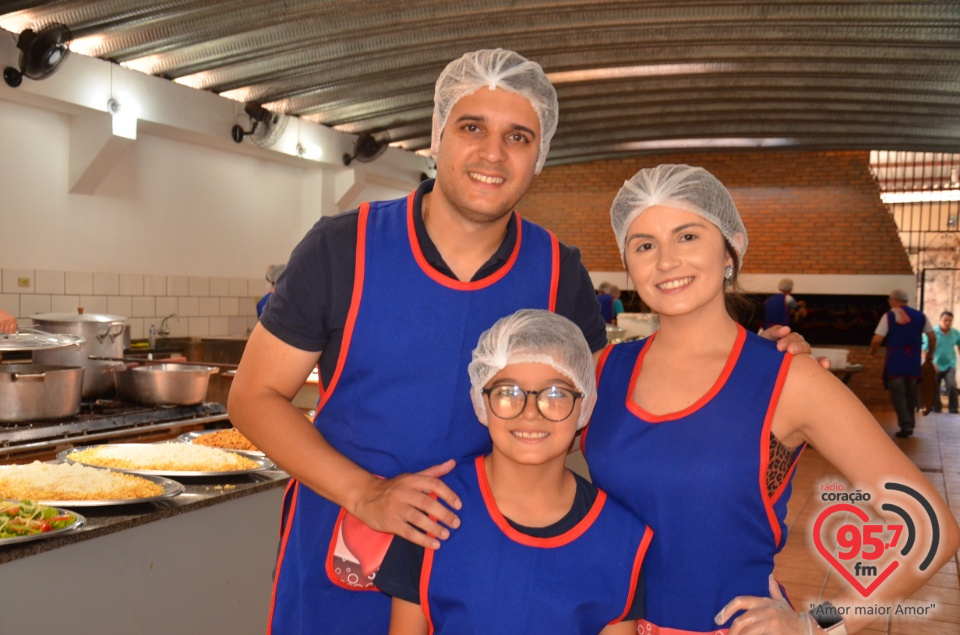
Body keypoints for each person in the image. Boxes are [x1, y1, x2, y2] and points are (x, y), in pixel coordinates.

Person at [228, 51, 812, 635]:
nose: (493, 153)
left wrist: (750, 373)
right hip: (342, 550)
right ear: (437, 136)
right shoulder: (345, 247)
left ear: (540, 156)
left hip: (485, 572)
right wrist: (367, 494)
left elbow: (600, 406)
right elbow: (252, 397)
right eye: (472, 127)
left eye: (518, 136)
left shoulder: (559, 272)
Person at [581, 164, 959, 635]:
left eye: (688, 236)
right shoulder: (601, 372)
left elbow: (930, 530)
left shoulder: (788, 378)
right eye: (644, 245)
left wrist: (814, 625)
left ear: (730, 250)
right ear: (628, 263)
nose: (666, 261)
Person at [375, 309, 651, 635]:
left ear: (584, 403)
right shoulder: (430, 511)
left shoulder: (620, 538)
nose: (530, 413)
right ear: (481, 398)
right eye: (508, 392)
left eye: (555, 394)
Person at [869, 289, 935, 437]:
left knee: (898, 393)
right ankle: (910, 423)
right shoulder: (920, 316)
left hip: (896, 360)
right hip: (913, 360)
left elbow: (877, 339)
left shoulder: (889, 316)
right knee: (910, 392)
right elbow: (932, 337)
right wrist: (930, 355)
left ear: (894, 300)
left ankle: (906, 425)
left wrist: (873, 350)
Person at [923, 310, 960, 414]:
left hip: (950, 364)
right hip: (935, 365)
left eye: (950, 321)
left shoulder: (955, 333)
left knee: (951, 385)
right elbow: (923, 349)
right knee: (934, 386)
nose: (947, 323)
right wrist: (930, 363)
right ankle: (936, 407)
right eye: (945, 320)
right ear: (940, 320)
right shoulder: (932, 333)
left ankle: (953, 408)